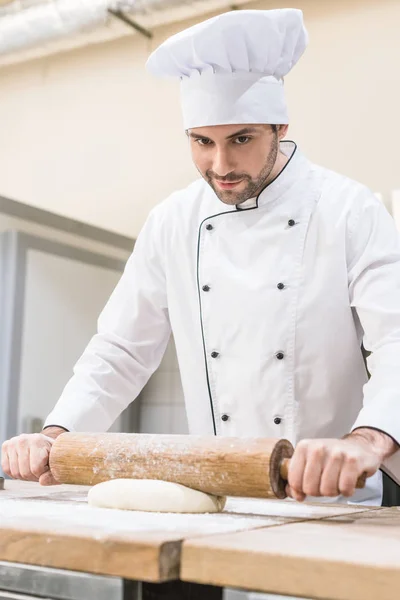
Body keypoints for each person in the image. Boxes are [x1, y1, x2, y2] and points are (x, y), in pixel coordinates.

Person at [2, 8, 400, 505]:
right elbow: (121, 347)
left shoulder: (347, 209)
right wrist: (56, 434)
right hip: (221, 498)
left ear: (279, 125)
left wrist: (368, 440)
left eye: (241, 139)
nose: (221, 165)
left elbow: (396, 342)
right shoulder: (173, 220)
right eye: (202, 142)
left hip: (337, 499)